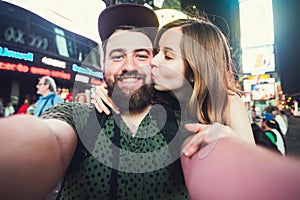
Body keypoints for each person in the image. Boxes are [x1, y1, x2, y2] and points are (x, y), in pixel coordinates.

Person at [0, 4, 191, 199]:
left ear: (155, 63)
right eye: (117, 56)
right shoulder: (78, 117)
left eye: (141, 55)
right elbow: (52, 136)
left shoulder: (186, 126)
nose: (129, 66)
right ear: (103, 64)